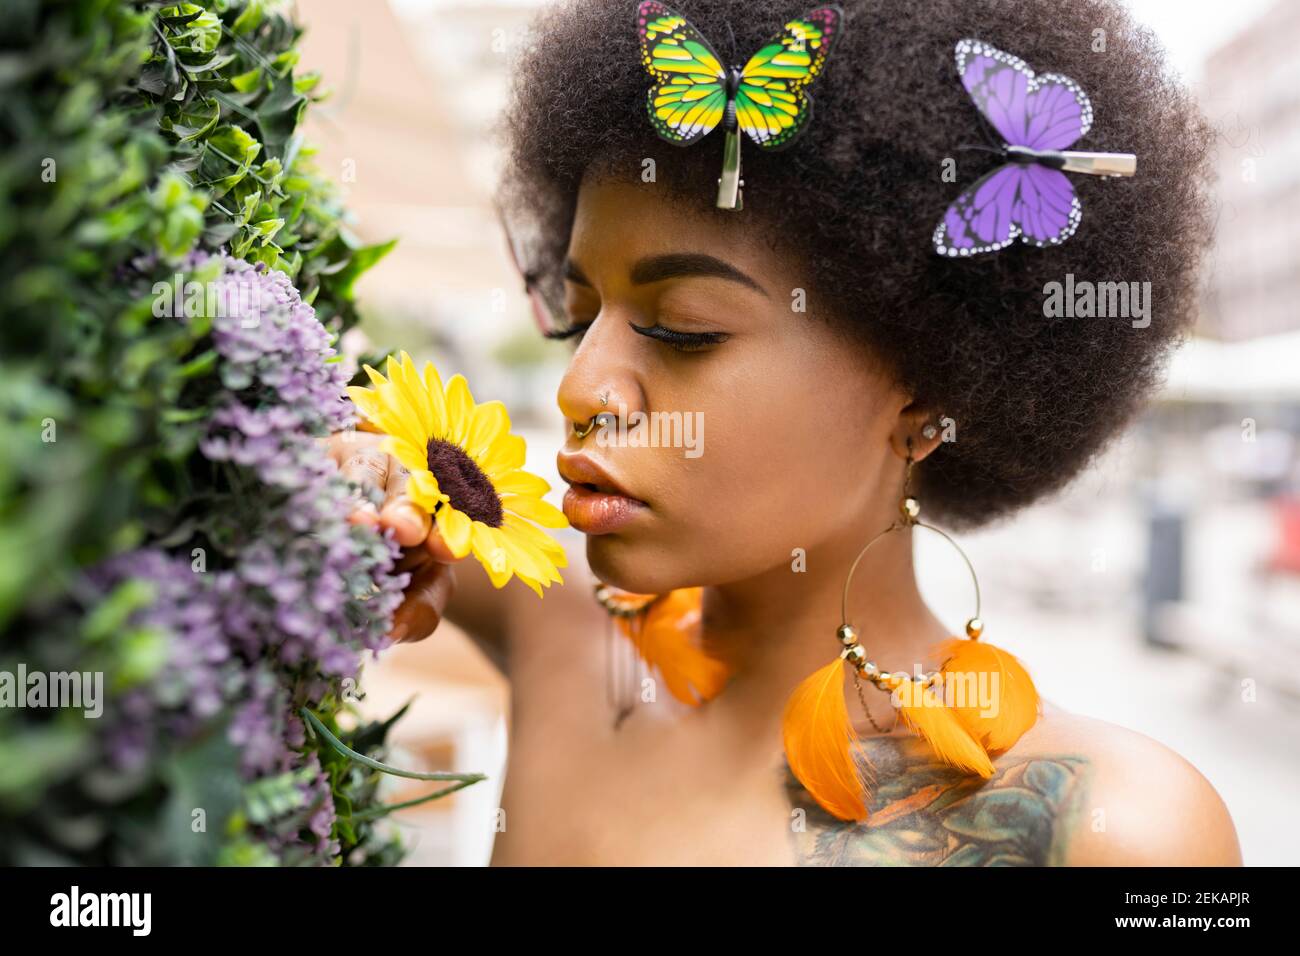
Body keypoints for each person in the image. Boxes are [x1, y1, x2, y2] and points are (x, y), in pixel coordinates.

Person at [325, 0, 1241, 865]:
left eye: (684, 328)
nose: (579, 387)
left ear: (926, 390)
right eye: (577, 315)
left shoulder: (1114, 830)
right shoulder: (558, 628)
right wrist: (353, 494)